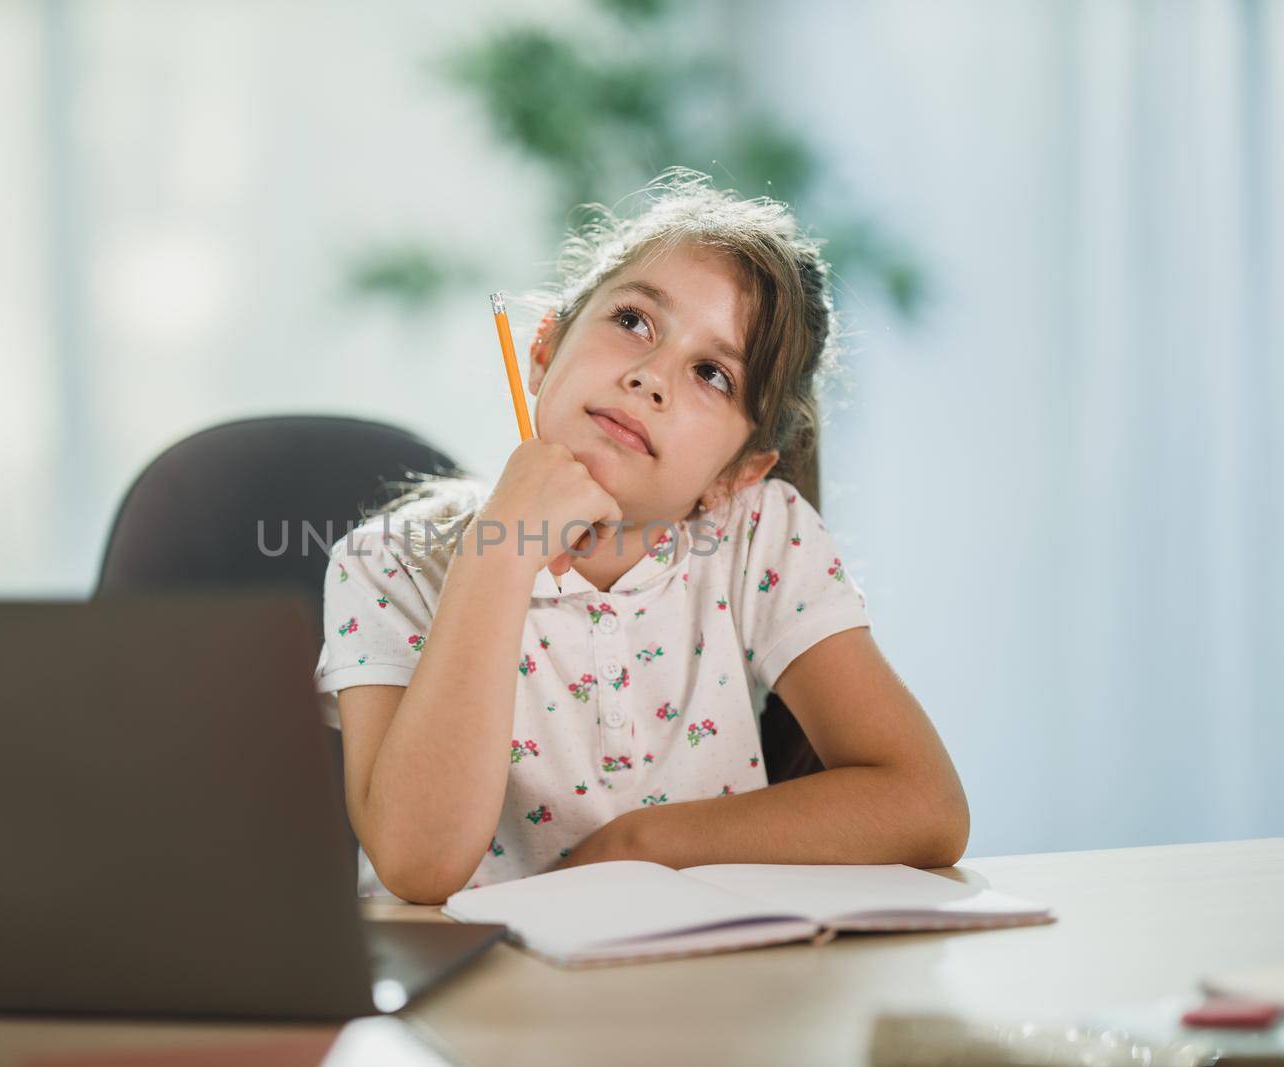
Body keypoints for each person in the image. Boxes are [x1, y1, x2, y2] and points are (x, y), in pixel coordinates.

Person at [313, 168, 968, 904]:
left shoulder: (759, 539)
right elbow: (419, 861)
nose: (652, 376)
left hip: (697, 995)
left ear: (737, 473)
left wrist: (638, 844)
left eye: (713, 374)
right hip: (477, 1001)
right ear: (544, 349)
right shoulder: (387, 564)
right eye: (634, 321)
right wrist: (501, 549)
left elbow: (927, 805)